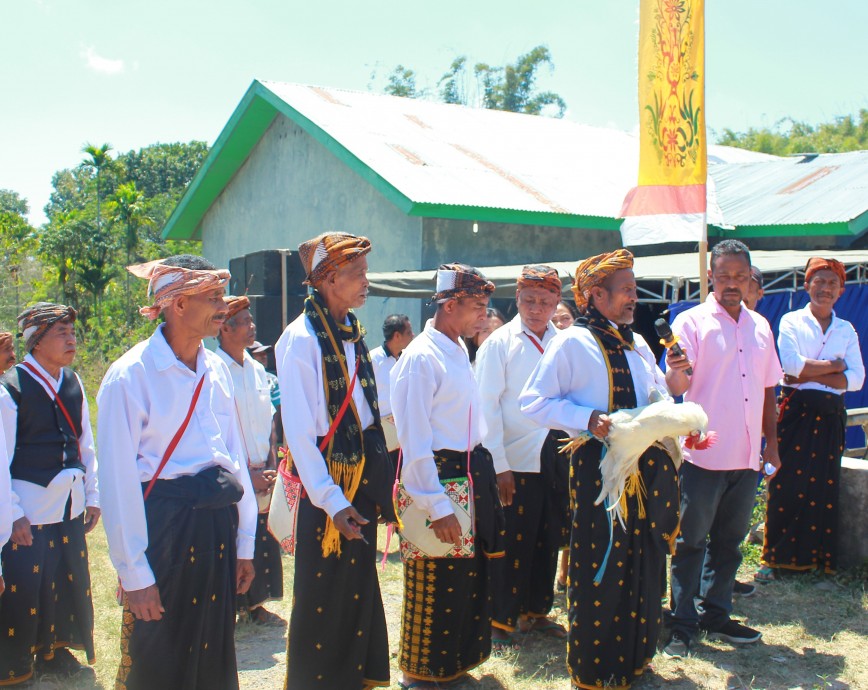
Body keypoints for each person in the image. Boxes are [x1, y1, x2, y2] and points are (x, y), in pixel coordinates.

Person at [520, 249, 679, 690]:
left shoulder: (638, 343)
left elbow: (657, 398)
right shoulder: (573, 342)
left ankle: (635, 662)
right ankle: (593, 674)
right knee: (602, 566)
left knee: (642, 563)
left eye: (633, 288)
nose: (634, 298)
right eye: (626, 290)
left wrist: (677, 405)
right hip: (597, 472)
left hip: (642, 472)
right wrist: (586, 419)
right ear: (595, 295)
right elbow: (532, 401)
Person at [97, 255, 257, 690]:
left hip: (215, 530)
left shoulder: (217, 369)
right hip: (165, 532)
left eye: (221, 295)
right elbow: (117, 485)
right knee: (158, 659)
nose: (223, 307)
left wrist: (245, 543)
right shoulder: (129, 376)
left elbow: (234, 459)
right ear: (178, 304)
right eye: (212, 297)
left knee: (212, 652)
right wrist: (136, 576)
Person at [275, 232, 395, 690]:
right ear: (327, 279)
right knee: (323, 594)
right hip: (329, 486)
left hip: (361, 477)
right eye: (357, 273)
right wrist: (331, 500)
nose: (367, 282)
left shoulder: (352, 332)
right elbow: (301, 436)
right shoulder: (300, 340)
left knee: (358, 590)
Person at [664, 240, 783, 658]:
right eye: (724, 275)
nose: (732, 283)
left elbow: (769, 389)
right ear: (711, 276)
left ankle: (716, 613)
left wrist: (772, 444)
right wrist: (677, 373)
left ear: (750, 277)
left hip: (749, 455)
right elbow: (678, 386)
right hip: (704, 454)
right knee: (691, 542)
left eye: (739, 275)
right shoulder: (692, 323)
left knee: (730, 544)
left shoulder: (761, 326)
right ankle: (681, 622)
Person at [391, 263, 505, 690]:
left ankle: (453, 669)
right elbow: (415, 440)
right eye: (477, 306)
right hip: (438, 475)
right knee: (433, 575)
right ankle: (421, 676)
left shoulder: (456, 348)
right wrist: (436, 504)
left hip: (469, 472)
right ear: (450, 304)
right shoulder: (421, 357)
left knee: (464, 578)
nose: (483, 315)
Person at [0, 303, 100, 684]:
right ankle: (14, 668)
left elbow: (84, 444)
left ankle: (55, 652)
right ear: (36, 341)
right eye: (61, 332)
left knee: (65, 578)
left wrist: (93, 496)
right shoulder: (10, 388)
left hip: (69, 503)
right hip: (30, 506)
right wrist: (12, 514)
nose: (71, 339)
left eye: (72, 332)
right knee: (26, 586)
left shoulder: (72, 381)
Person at [475, 265, 567, 647]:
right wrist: (499, 465)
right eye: (529, 300)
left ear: (556, 303)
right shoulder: (500, 343)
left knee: (548, 531)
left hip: (555, 451)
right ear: (517, 299)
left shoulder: (565, 340)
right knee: (512, 536)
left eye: (545, 302)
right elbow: (486, 406)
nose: (536, 308)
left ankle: (536, 610)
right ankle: (500, 618)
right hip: (513, 457)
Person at [759, 257, 864, 580]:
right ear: (806, 286)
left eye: (832, 283)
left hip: (830, 417)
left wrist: (810, 372)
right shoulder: (791, 321)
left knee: (824, 486)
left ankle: (817, 560)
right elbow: (790, 366)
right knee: (787, 483)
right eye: (819, 281)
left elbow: (857, 378)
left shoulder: (846, 329)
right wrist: (836, 366)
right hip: (796, 414)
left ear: (842, 291)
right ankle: (776, 560)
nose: (825, 288)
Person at [216, 296, 283, 624]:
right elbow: (222, 431)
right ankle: (232, 604)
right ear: (225, 328)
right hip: (233, 474)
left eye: (251, 320)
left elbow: (270, 421)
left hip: (264, 470)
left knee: (261, 538)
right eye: (245, 322)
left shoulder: (258, 371)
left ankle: (257, 603)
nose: (252, 326)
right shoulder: (214, 370)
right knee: (233, 535)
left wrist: (271, 463)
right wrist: (246, 475)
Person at [550, 298, 578, 591]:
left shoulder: (581, 350)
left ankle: (567, 572)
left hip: (576, 441)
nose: (559, 324)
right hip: (548, 442)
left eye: (565, 318)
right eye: (555, 319)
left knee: (574, 509)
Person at [369, 314, 414, 458]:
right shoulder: (373, 360)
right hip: (381, 436)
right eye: (408, 332)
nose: (413, 335)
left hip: (403, 435)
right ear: (397, 336)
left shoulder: (407, 359)